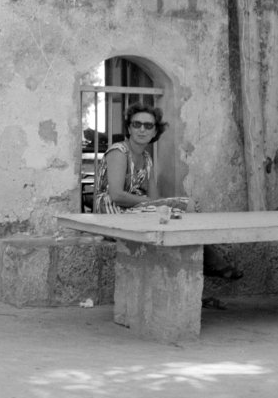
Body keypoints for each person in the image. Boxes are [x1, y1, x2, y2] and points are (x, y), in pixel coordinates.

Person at [93, 102, 242, 279]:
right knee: (172, 211)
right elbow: (116, 195)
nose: (142, 130)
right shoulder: (119, 152)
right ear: (129, 129)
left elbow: (155, 198)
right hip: (111, 212)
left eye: (148, 126)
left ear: (155, 131)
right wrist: (155, 204)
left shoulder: (147, 158)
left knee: (188, 204)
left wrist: (163, 204)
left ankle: (201, 260)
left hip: (133, 209)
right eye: (136, 124)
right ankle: (211, 262)